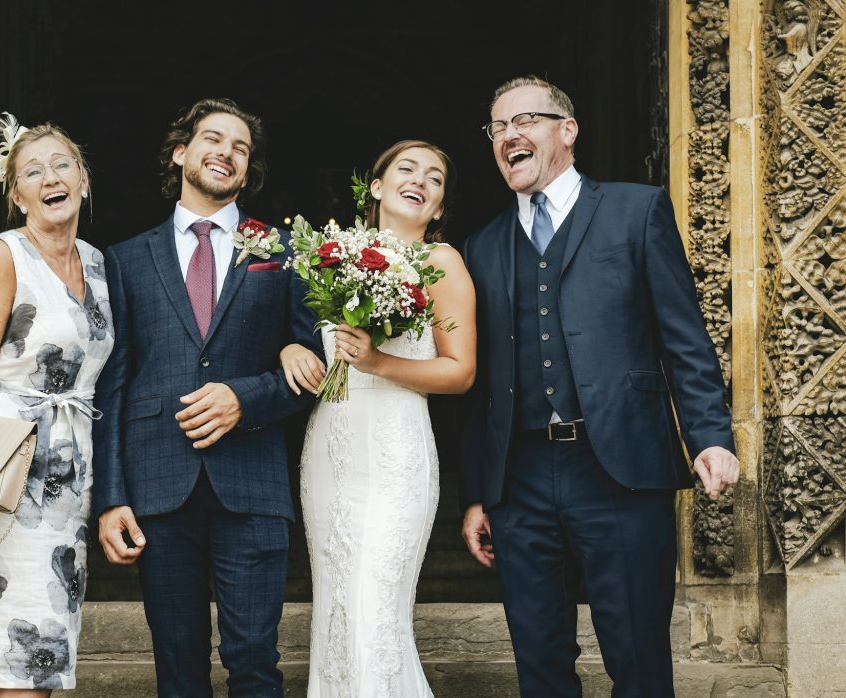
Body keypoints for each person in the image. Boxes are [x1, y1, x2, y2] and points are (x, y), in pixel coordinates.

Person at [458, 76, 741, 697]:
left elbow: (684, 338)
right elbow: (481, 387)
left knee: (638, 659)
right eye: (498, 127)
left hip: (621, 468)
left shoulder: (635, 210)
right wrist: (481, 492)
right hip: (521, 480)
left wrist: (711, 438)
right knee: (539, 661)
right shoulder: (482, 246)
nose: (510, 136)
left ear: (568, 130)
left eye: (525, 120)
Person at [92, 98, 322, 697]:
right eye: (213, 139)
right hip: (157, 487)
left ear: (248, 171)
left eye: (240, 148)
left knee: (254, 662)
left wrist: (246, 398)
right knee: (178, 668)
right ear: (181, 152)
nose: (226, 153)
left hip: (252, 483)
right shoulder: (126, 258)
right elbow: (113, 383)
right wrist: (111, 497)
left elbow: (316, 367)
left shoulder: (281, 250)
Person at [281, 140, 477, 696]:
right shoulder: (331, 256)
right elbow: (300, 337)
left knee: (376, 613)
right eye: (407, 169)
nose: (420, 181)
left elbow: (460, 371)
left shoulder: (441, 264)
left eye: (435, 178)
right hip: (331, 450)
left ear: (439, 207)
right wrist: (287, 351)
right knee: (336, 612)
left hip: (396, 452)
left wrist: (378, 361)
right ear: (376, 186)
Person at [0, 115, 113, 694]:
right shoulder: (3, 256)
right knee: (20, 652)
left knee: (48, 655)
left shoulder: (96, 263)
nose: (50, 178)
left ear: (83, 179)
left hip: (70, 480)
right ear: (17, 195)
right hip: (13, 474)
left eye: (62, 165)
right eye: (32, 171)